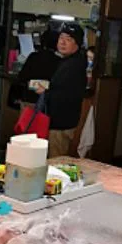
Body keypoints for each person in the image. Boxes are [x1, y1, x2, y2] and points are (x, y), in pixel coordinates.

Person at [37, 23, 87, 158]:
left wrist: (45, 93)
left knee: (56, 163)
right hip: (59, 122)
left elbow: (69, 95)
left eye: (69, 39)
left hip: (62, 124)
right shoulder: (68, 61)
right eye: (61, 38)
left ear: (77, 44)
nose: (63, 42)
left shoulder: (75, 65)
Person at [17, 28, 60, 106]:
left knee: (28, 118)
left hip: (29, 99)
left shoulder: (33, 57)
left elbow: (22, 77)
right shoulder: (59, 61)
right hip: (48, 102)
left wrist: (33, 84)